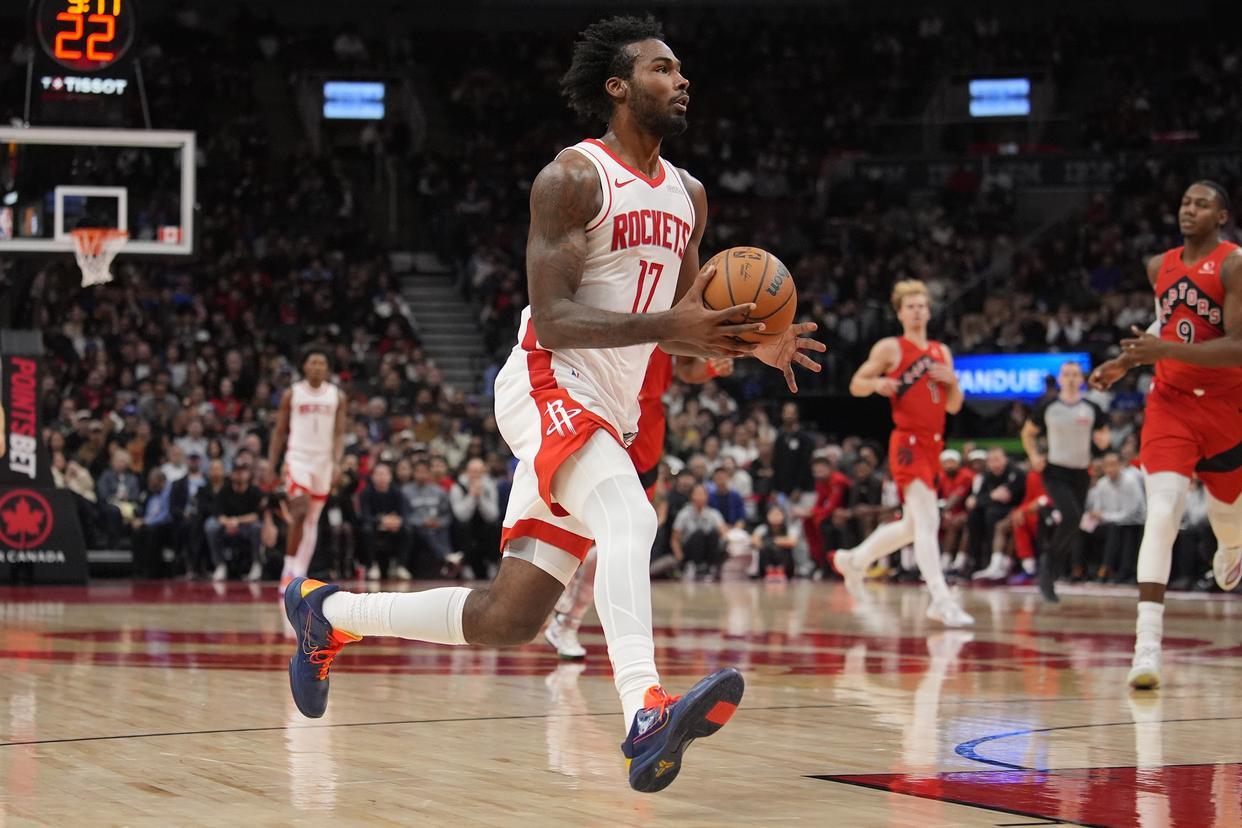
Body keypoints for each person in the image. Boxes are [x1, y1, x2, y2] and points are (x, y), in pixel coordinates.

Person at [282, 14, 823, 793]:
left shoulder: (690, 197)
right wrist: (674, 329)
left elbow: (684, 346)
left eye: (681, 69)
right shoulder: (572, 178)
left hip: (612, 409)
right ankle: (645, 712)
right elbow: (558, 318)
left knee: (509, 618)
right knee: (631, 518)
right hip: (549, 381)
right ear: (618, 87)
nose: (681, 80)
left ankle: (328, 613)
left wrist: (745, 346)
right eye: (663, 68)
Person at [1089, 180, 1242, 689]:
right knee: (1162, 512)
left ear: (1222, 216)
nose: (1189, 210)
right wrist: (1122, 363)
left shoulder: (1233, 265)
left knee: (1229, 519)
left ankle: (1232, 548)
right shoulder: (1160, 265)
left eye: (1202, 204)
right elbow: (1166, 323)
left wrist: (1166, 352)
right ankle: (1146, 648)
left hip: (1226, 407)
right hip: (1170, 404)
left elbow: (1238, 346)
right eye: (1184, 202)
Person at [544, 349, 728, 659]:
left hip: (647, 425)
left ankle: (568, 621)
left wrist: (710, 367)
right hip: (598, 407)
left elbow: (684, 368)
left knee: (625, 536)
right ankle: (556, 610)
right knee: (584, 528)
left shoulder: (670, 319)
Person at [833, 280, 973, 626]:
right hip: (908, 443)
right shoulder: (891, 348)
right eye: (910, 307)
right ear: (899, 313)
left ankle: (855, 560)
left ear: (929, 311)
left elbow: (954, 406)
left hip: (934, 445)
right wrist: (877, 384)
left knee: (912, 527)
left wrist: (952, 382)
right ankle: (940, 598)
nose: (917, 312)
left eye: (921, 306)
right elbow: (856, 384)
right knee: (928, 521)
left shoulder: (941, 352)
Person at [1015, 361, 1109, 600]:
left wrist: (1103, 440)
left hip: (1081, 472)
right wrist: (1034, 456)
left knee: (1074, 524)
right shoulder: (1048, 406)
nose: (1070, 378)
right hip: (1055, 472)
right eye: (1066, 374)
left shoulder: (1091, 408)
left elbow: (1103, 435)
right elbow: (1027, 433)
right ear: (1060, 379)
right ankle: (1048, 567)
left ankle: (1051, 568)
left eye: (1075, 374)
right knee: (1071, 516)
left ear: (1081, 380)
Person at [269, 347, 347, 590]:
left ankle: (299, 575)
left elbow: (339, 433)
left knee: (312, 519)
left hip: (323, 460)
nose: (317, 367)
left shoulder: (336, 395)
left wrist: (337, 462)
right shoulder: (293, 393)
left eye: (322, 363)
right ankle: (288, 569)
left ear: (328, 368)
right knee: (300, 511)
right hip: (298, 457)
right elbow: (279, 431)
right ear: (304, 366)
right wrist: (272, 464)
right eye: (313, 362)